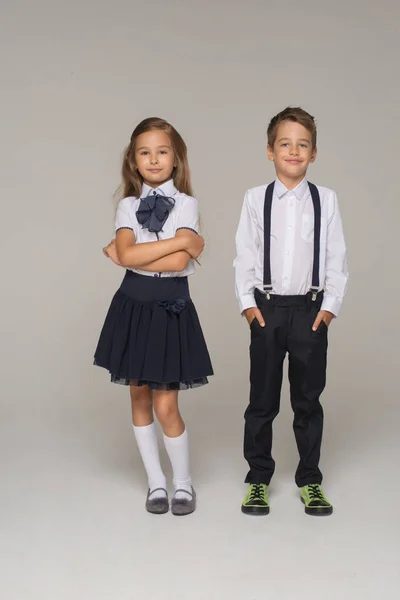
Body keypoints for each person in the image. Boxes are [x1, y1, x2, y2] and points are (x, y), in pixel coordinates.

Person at [94, 117, 213, 516]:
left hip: (169, 308)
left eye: (162, 151)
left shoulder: (187, 204)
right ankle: (155, 484)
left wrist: (152, 251)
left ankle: (183, 483)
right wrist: (183, 239)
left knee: (167, 406)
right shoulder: (127, 205)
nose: (154, 159)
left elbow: (177, 262)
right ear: (133, 160)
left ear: (176, 158)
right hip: (132, 306)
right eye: (145, 152)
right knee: (138, 396)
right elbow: (134, 254)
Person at [234, 107, 348, 516]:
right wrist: (248, 307)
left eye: (302, 144)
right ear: (270, 151)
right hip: (266, 310)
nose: (294, 151)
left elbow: (336, 258)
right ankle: (258, 479)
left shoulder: (326, 200)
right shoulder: (254, 199)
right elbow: (244, 256)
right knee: (261, 399)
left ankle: (310, 480)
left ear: (314, 154)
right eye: (285, 143)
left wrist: (329, 309)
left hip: (310, 311)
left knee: (308, 399)